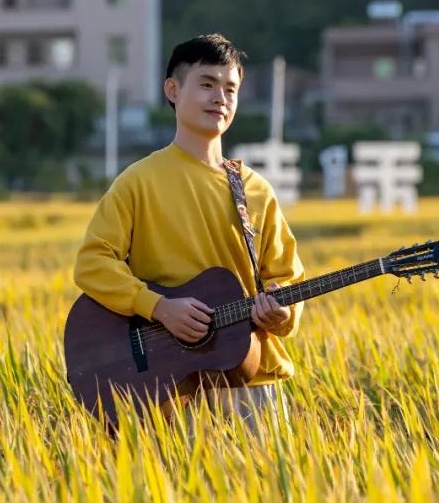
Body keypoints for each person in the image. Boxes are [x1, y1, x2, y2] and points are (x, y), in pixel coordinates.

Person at [73, 33, 304, 436]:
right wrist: (157, 307)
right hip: (168, 388)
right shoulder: (138, 182)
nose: (221, 97)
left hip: (251, 383)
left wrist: (282, 313)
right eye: (208, 84)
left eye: (230, 88)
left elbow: (285, 277)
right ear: (173, 90)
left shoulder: (255, 190)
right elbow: (93, 263)